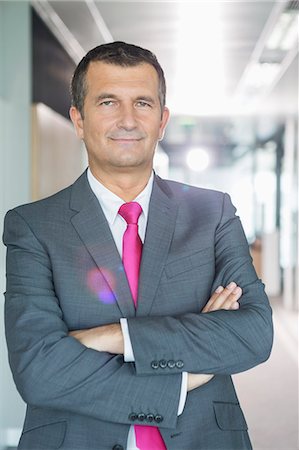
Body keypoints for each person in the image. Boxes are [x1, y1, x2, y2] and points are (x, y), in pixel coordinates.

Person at [3, 41, 273, 450]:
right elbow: (38, 371)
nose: (127, 120)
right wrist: (180, 381)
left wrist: (117, 337)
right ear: (78, 119)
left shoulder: (212, 213)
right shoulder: (34, 226)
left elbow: (254, 334)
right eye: (108, 102)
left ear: (162, 121)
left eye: (143, 103)